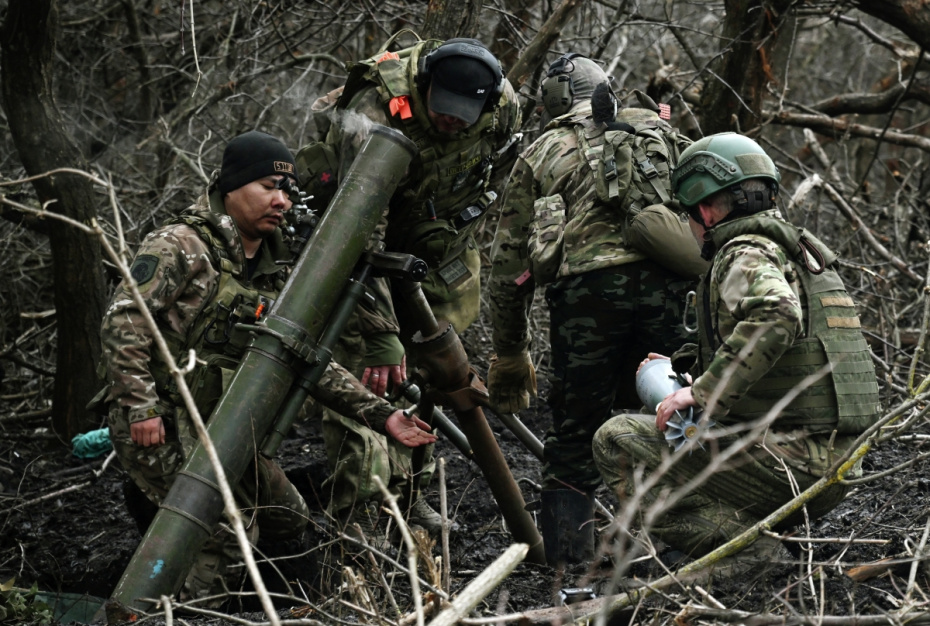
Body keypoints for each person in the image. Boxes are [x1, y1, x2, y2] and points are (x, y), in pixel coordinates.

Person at [100, 130, 436, 605]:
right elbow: (123, 322)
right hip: (166, 421)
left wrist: (381, 416)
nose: (279, 201)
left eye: (286, 191)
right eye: (266, 188)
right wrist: (140, 409)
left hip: (224, 424)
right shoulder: (181, 244)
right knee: (224, 533)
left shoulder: (282, 263)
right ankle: (178, 611)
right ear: (231, 187)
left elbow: (303, 354)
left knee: (287, 518)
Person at [592, 132, 881, 575]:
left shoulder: (741, 252)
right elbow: (787, 360)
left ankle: (750, 553)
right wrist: (692, 382)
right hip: (841, 464)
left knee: (617, 439)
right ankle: (753, 535)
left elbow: (777, 314)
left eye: (689, 216)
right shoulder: (798, 252)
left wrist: (702, 394)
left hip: (796, 466)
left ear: (705, 209)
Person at [297, 36, 521, 537]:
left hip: (432, 245)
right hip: (355, 245)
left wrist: (450, 228)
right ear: (423, 87)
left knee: (428, 376)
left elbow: (497, 167)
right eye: (443, 107)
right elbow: (357, 230)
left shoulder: (504, 109)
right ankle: (360, 523)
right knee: (370, 375)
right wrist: (380, 332)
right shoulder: (376, 108)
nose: (453, 120)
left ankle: (411, 496)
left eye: (466, 112)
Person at [485, 54, 698, 566]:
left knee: (576, 428)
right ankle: (688, 545)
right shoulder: (659, 133)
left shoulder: (542, 151)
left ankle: (566, 565)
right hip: (671, 285)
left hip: (586, 297)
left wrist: (511, 350)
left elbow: (508, 267)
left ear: (551, 101)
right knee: (682, 408)